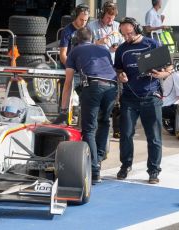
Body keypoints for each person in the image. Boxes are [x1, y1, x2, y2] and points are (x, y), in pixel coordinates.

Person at [54, 27, 118, 184]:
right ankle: (99, 160)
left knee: (89, 128)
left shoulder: (74, 52)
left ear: (76, 40)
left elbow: (68, 83)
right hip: (112, 87)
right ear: (92, 37)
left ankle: (94, 169)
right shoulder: (103, 49)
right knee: (104, 123)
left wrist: (63, 110)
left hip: (94, 86)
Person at [114, 17, 172, 184]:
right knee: (125, 134)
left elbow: (169, 66)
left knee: (153, 136)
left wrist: (162, 74)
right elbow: (118, 68)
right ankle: (125, 165)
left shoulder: (152, 44)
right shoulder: (122, 50)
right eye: (123, 34)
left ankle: (153, 170)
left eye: (129, 33)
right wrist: (120, 75)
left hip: (151, 96)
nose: (127, 37)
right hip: (129, 97)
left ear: (137, 29)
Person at [87, 1, 124, 140]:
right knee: (100, 100)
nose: (111, 20)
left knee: (118, 99)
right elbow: (85, 45)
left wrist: (117, 48)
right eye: (108, 17)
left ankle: (117, 130)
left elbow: (123, 43)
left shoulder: (117, 26)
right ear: (103, 14)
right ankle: (96, 130)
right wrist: (98, 43)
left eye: (113, 17)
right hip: (98, 68)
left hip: (115, 66)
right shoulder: (92, 26)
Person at [162, 70, 178, 135]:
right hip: (165, 107)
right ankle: (170, 123)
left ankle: (172, 124)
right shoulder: (177, 75)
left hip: (170, 106)